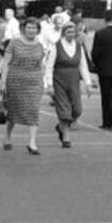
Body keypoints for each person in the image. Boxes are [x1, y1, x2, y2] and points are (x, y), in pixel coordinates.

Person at [0, 16, 49, 154]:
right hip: (15, 81)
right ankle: (7, 136)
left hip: (34, 82)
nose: (31, 30)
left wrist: (44, 82)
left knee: (34, 110)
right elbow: (6, 63)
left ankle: (32, 143)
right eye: (29, 27)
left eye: (34, 28)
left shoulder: (40, 45)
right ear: (23, 28)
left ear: (38, 30)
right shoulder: (14, 43)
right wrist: (3, 83)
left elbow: (41, 65)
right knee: (13, 111)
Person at [48, 18, 86, 148]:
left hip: (74, 80)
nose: (71, 34)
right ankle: (66, 137)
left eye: (73, 32)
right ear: (64, 32)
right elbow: (49, 66)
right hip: (59, 80)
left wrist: (88, 83)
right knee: (64, 110)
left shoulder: (79, 46)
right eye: (68, 32)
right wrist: (49, 85)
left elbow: (83, 66)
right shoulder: (57, 46)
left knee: (77, 109)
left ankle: (61, 127)